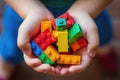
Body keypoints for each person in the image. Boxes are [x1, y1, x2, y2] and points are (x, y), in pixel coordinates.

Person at [0, 0, 117, 79]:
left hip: (91, 9)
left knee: (98, 36)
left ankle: (103, 50)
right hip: (24, 11)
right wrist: (31, 10)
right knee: (13, 45)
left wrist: (85, 11)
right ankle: (6, 64)